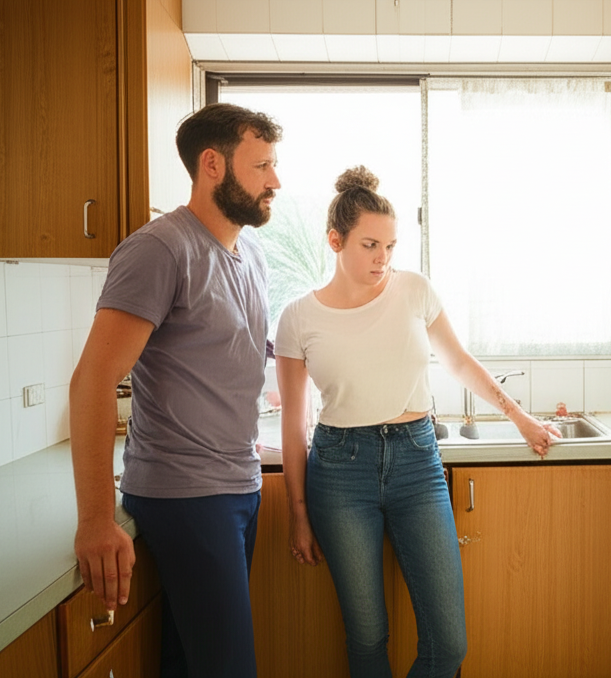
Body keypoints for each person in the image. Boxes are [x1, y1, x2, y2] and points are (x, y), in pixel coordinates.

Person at [273, 166, 560, 678]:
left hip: (416, 462)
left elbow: (459, 362)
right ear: (335, 240)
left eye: (390, 245)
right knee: (367, 636)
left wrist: (519, 418)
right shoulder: (298, 318)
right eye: (369, 244)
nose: (383, 257)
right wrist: (298, 512)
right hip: (340, 472)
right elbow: (295, 423)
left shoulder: (414, 290)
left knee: (448, 643)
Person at [69, 102, 282, 678]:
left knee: (192, 664)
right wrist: (94, 520)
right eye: (261, 165)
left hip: (237, 482)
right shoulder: (161, 249)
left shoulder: (252, 255)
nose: (275, 181)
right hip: (185, 494)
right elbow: (91, 382)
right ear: (212, 165)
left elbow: (226, 356)